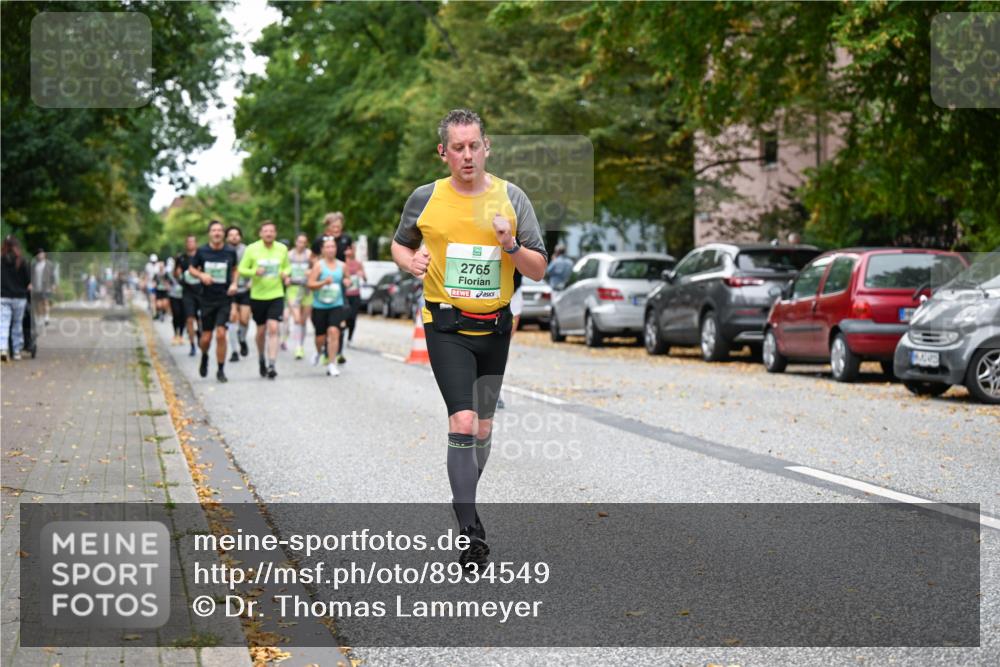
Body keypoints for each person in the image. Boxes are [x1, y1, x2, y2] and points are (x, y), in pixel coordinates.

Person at [390, 109, 547, 566]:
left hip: (495, 327)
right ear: (443, 153)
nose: (467, 155)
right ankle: (470, 530)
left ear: (486, 147)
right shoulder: (425, 198)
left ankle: (462, 497)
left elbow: (538, 269)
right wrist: (410, 262)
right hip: (445, 326)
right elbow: (400, 243)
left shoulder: (512, 198)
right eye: (457, 147)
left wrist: (510, 245)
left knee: (482, 429)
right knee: (462, 421)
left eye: (474, 145)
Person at [238, 220, 290, 379]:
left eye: (271, 231)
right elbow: (241, 269)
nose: (269, 234)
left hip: (276, 294)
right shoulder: (252, 249)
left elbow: (287, 266)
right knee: (260, 332)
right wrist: (254, 271)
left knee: (273, 328)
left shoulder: (282, 248)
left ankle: (272, 364)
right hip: (258, 296)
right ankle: (261, 358)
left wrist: (285, 273)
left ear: (275, 233)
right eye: (265, 231)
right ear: (260, 233)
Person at [188, 221, 239, 383]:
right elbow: (191, 268)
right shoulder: (202, 251)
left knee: (221, 334)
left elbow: (235, 269)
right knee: (206, 338)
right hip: (206, 299)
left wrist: (234, 283)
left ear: (223, 234)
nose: (217, 233)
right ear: (209, 233)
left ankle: (221, 369)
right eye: (214, 230)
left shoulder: (230, 251)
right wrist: (201, 275)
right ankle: (204, 355)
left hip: (224, 298)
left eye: (219, 230)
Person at [306, 237, 350, 377]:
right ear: (323, 250)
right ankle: (318, 351)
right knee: (320, 337)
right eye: (328, 247)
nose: (331, 249)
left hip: (336, 304)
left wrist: (347, 282)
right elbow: (310, 284)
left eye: (333, 247)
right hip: (319, 306)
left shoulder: (342, 265)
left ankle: (332, 364)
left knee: (334, 331)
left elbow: (347, 278)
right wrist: (323, 282)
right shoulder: (318, 266)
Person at [1, 236, 32, 361]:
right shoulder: (22, 261)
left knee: (3, 323)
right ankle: (16, 351)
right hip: (19, 297)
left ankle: (3, 348)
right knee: (17, 324)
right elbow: (28, 282)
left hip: (3, 296)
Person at [285, 232, 313, 360]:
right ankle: (297, 346)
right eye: (299, 242)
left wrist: (311, 273)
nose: (301, 244)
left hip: (307, 289)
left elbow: (316, 268)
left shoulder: (310, 255)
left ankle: (301, 344)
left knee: (303, 320)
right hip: (293, 288)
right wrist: (286, 277)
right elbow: (283, 269)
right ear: (295, 242)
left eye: (304, 242)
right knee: (296, 319)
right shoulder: (289, 255)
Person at [226, 226, 251, 361]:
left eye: (236, 234)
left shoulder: (247, 250)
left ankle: (242, 339)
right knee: (232, 318)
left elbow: (255, 266)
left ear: (240, 236)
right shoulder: (224, 251)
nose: (234, 237)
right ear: (227, 237)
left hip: (245, 289)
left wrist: (251, 281)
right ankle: (234, 351)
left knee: (244, 320)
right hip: (230, 290)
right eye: (231, 234)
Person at [174, 235, 202, 357]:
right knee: (189, 319)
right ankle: (192, 345)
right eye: (188, 242)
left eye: (192, 241)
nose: (190, 243)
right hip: (187, 292)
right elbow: (176, 273)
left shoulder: (201, 256)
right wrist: (178, 273)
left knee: (200, 318)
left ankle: (200, 333)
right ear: (186, 244)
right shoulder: (181, 258)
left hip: (200, 291)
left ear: (196, 243)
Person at [342, 244, 366, 348]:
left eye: (351, 249)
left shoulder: (358, 264)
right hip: (345, 295)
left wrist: (362, 275)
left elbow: (365, 278)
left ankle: (350, 338)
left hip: (355, 295)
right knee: (346, 317)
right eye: (347, 249)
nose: (350, 251)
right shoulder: (342, 263)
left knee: (353, 317)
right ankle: (341, 334)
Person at [31, 249, 56, 326]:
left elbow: (52, 275)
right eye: (38, 254)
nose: (40, 255)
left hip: (46, 286)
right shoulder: (34, 265)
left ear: (44, 254)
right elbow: (31, 276)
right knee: (38, 303)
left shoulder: (49, 264)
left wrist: (53, 285)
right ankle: (39, 318)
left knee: (46, 301)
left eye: (41, 254)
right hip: (36, 286)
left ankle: (46, 317)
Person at [166, 261, 185, 344]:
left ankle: (181, 335)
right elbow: (167, 284)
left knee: (182, 316)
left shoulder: (184, 276)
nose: (179, 270)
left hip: (183, 297)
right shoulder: (171, 276)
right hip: (174, 297)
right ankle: (175, 334)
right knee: (176, 315)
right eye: (178, 268)